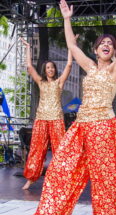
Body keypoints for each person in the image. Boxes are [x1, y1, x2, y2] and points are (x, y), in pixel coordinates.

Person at [33, 0, 116, 215]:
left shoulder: (115, 71)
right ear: (95, 50)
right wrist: (67, 19)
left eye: (110, 43)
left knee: (105, 177)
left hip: (103, 127)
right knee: (61, 165)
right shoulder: (89, 66)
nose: (107, 44)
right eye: (102, 43)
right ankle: (51, 213)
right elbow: (72, 46)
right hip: (81, 125)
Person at [20, 36, 75, 190]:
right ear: (45, 70)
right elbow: (30, 67)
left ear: (55, 70)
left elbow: (70, 65)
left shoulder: (59, 82)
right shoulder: (41, 82)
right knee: (37, 149)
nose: (50, 69)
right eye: (48, 68)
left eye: (52, 67)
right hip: (41, 119)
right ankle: (30, 178)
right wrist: (28, 47)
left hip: (56, 119)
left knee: (60, 150)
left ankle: (62, 179)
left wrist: (72, 46)